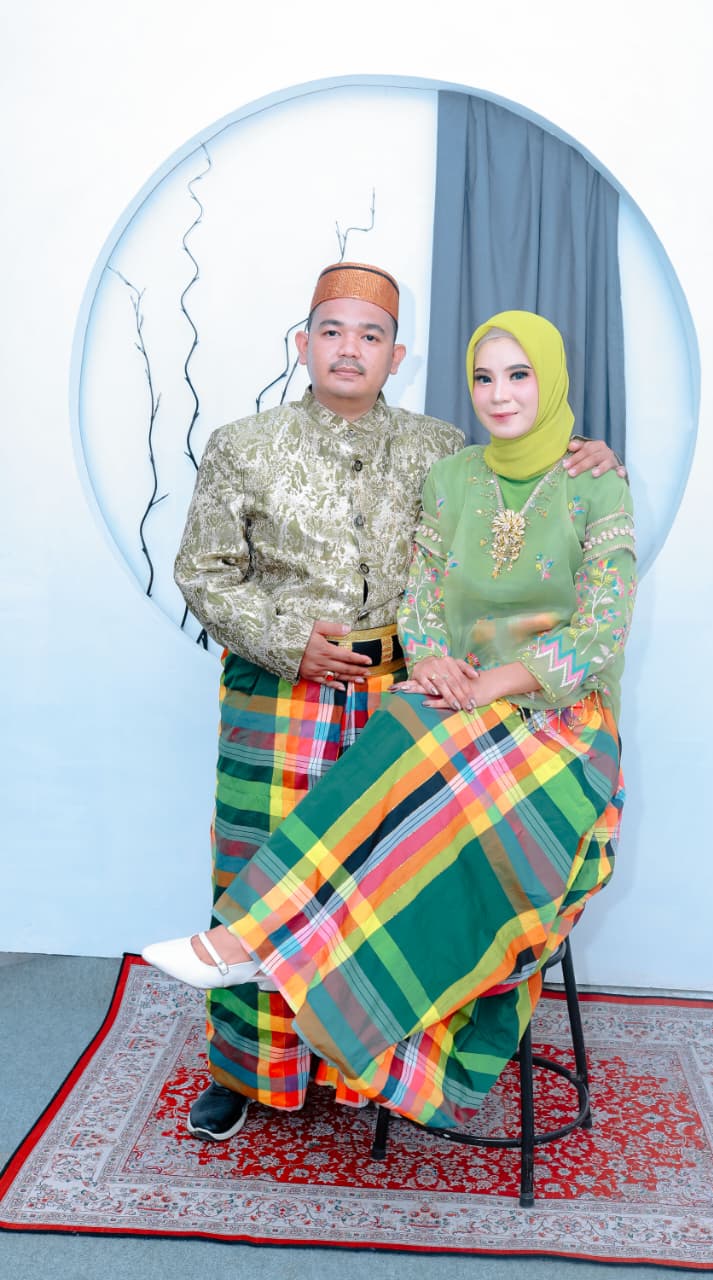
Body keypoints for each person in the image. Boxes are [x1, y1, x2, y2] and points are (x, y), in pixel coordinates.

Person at [146, 308, 635, 1133]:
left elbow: (573, 584)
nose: (350, 348)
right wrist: (296, 643)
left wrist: (594, 453)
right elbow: (205, 570)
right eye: (331, 331)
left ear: (396, 354)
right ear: (301, 343)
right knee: (264, 848)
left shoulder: (436, 446)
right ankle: (244, 1066)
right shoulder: (244, 445)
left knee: (400, 859)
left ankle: (363, 1066)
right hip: (295, 684)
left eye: (370, 335)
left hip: (416, 691)